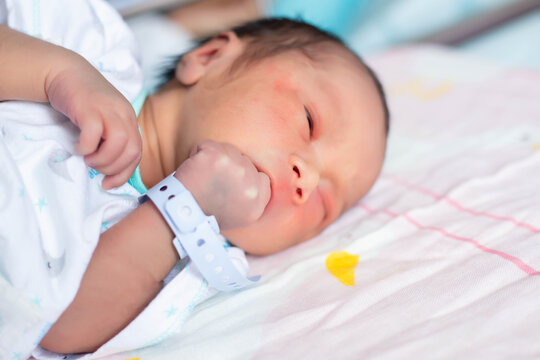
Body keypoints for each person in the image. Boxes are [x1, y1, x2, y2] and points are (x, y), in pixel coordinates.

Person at [0, 0, 389, 356]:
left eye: (324, 204)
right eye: (308, 120)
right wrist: (57, 72)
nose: (309, 179)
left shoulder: (180, 272)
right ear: (210, 56)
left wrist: (179, 209)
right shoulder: (92, 49)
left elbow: (55, 327)